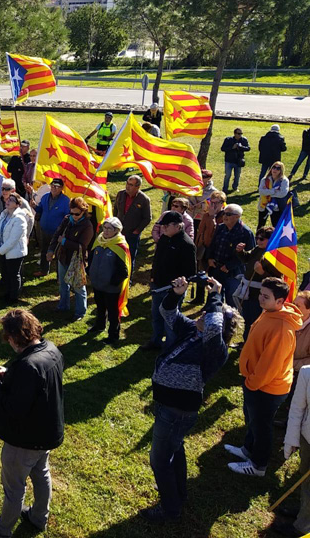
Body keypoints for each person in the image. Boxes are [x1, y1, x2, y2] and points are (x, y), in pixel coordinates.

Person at [142, 276, 240, 523]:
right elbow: (167, 311)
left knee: (159, 460)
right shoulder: (193, 331)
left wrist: (216, 298)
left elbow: (215, 328)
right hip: (169, 405)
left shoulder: (215, 349)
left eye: (206, 314)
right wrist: (177, 293)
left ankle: (170, 509)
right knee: (175, 448)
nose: (200, 315)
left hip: (177, 410)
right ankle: (178, 493)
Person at [0, 309, 64, 538]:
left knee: (14, 488)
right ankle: (39, 517)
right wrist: (10, 372)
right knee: (41, 473)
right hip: (47, 431)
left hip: (25, 440)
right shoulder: (51, 349)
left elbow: (14, 407)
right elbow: (35, 383)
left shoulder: (28, 366)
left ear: (13, 337)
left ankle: (1, 533)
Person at [225, 277, 302, 477]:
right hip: (256, 383)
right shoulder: (270, 312)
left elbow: (270, 365)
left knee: (262, 427)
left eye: (266, 297)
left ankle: (258, 465)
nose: (260, 299)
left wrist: (252, 383)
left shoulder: (282, 329)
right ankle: (247, 449)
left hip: (266, 387)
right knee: (253, 420)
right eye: (261, 294)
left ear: (280, 302)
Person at [143, 211, 197, 351]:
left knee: (170, 320)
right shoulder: (164, 238)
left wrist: (177, 286)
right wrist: (153, 275)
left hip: (172, 290)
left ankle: (170, 347)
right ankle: (156, 341)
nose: (163, 228)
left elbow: (190, 272)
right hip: (158, 284)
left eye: (166, 226)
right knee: (156, 316)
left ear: (178, 226)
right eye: (162, 225)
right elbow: (157, 259)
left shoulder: (186, 244)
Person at [280, 292, 310, 537]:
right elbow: (298, 408)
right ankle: (304, 511)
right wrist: (292, 440)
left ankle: (302, 526)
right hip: (308, 435)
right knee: (305, 476)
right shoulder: (308, 374)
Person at [47, 197, 94, 320]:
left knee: (78, 287)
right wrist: (51, 250)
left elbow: (82, 247)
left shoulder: (87, 226)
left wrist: (64, 242)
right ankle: (63, 306)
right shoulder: (67, 220)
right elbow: (57, 234)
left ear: (83, 211)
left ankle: (80, 312)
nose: (74, 215)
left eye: (77, 214)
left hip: (77, 260)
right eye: (72, 212)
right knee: (63, 284)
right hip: (62, 257)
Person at [88, 217, 131, 343]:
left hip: (111, 287)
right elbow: (91, 258)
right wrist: (89, 271)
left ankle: (113, 335)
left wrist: (112, 282)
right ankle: (99, 325)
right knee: (100, 307)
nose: (105, 231)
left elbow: (124, 271)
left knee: (113, 312)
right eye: (104, 228)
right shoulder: (99, 241)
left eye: (109, 229)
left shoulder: (120, 246)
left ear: (117, 230)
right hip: (97, 283)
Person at [235, 227, 279, 341]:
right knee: (247, 318)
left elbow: (277, 279)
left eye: (262, 239)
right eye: (257, 238)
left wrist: (262, 272)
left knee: (255, 320)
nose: (258, 241)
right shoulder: (257, 249)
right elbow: (247, 258)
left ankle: (251, 343)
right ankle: (245, 341)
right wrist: (240, 252)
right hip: (248, 290)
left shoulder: (273, 256)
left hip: (259, 293)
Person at [208, 204, 255, 306]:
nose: (225, 216)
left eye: (228, 214)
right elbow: (213, 244)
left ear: (237, 216)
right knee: (215, 295)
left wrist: (229, 266)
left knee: (231, 299)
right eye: (224, 213)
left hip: (233, 272)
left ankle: (231, 320)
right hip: (216, 267)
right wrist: (210, 258)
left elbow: (250, 255)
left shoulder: (245, 232)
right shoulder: (220, 228)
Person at [0, 192, 30, 303]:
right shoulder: (4, 214)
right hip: (2, 250)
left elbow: (13, 239)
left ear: (17, 205)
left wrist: (0, 250)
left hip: (15, 252)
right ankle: (7, 293)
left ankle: (14, 297)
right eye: (8, 199)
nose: (8, 201)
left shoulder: (19, 219)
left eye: (11, 200)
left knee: (14, 275)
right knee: (6, 274)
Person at [33, 178, 70, 277]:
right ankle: (44, 270)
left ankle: (59, 276)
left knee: (58, 254)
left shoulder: (66, 201)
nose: (54, 188)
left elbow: (68, 217)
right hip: (44, 230)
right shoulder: (45, 197)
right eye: (52, 186)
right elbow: (40, 209)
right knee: (44, 250)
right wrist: (34, 206)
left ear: (61, 188)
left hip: (58, 232)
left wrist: (63, 232)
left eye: (56, 186)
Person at [115, 175, 152, 270]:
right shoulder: (120, 194)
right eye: (127, 183)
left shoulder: (144, 199)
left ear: (137, 187)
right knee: (116, 255)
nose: (127, 186)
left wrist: (137, 231)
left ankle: (128, 279)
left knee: (129, 257)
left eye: (131, 185)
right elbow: (115, 209)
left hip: (132, 234)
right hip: (118, 232)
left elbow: (147, 218)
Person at [257, 161, 290, 229]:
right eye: (274, 167)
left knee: (275, 225)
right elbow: (261, 192)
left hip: (277, 206)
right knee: (261, 224)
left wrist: (267, 192)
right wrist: (274, 190)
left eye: (278, 168)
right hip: (264, 204)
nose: (275, 170)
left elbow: (282, 194)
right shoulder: (265, 179)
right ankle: (258, 238)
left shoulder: (284, 180)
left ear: (281, 171)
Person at [221, 128, 250, 193]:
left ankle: (235, 187)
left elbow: (248, 148)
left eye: (241, 134)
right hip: (229, 161)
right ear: (235, 134)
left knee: (237, 176)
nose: (240, 135)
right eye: (238, 134)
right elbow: (223, 148)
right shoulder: (228, 140)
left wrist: (241, 147)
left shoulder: (244, 140)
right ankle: (225, 188)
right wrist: (232, 147)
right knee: (227, 175)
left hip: (238, 161)